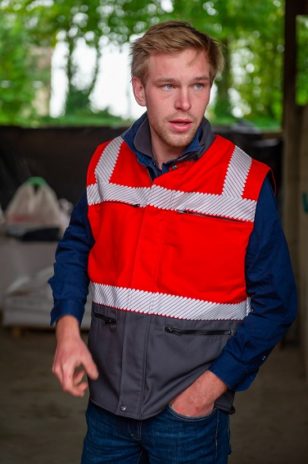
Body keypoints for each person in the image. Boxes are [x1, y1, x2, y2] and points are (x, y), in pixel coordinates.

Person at [50, 20, 296, 464]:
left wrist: (208, 390)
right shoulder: (105, 162)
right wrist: (67, 328)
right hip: (106, 409)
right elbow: (76, 249)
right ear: (140, 89)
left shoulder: (245, 182)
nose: (185, 104)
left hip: (188, 420)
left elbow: (277, 303)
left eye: (198, 85)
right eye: (168, 85)